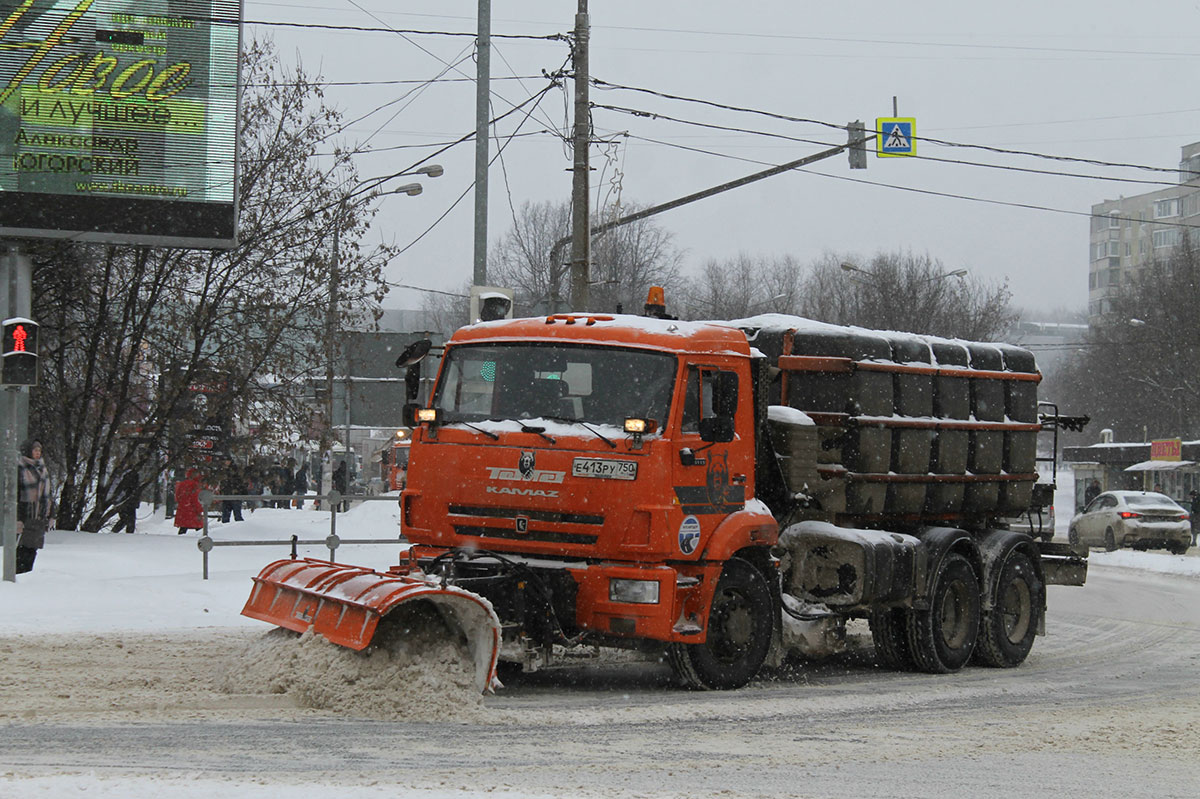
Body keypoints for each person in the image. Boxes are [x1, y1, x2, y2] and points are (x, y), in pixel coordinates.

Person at [16, 439, 54, 574]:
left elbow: (48, 494)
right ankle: (18, 574)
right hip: (25, 515)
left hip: (39, 516)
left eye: (39, 450)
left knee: (32, 548)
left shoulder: (42, 468)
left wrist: (51, 515)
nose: (38, 453)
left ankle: (28, 575)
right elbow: (15, 494)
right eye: (35, 450)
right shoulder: (20, 467)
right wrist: (18, 518)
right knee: (22, 548)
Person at [174, 469, 204, 535]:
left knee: (183, 528)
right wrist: (199, 510)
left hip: (183, 509)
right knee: (200, 530)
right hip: (192, 510)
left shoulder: (182, 484)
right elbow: (195, 499)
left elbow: (177, 497)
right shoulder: (195, 485)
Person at [110, 467, 140, 534]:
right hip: (126, 501)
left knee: (126, 519)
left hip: (125, 500)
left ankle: (114, 532)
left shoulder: (123, 474)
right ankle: (116, 533)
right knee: (128, 520)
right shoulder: (130, 474)